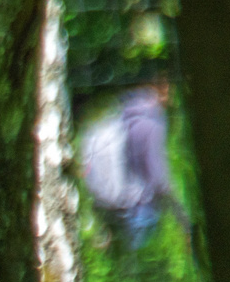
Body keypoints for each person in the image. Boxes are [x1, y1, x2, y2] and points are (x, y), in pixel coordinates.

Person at [78, 78, 196, 266]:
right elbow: (158, 179)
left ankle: (108, 257)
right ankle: (131, 269)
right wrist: (182, 218)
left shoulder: (125, 113)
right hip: (125, 206)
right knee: (148, 224)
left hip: (101, 195)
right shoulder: (152, 125)